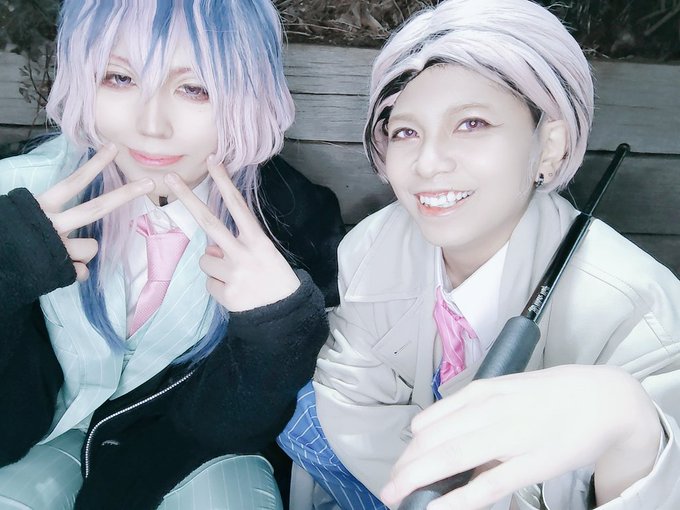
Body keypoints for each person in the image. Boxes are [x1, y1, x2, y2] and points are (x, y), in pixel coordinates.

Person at [277, 0, 680, 508]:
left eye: (472, 123)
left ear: (549, 147)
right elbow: (350, 392)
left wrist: (636, 430)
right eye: (406, 131)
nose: (428, 163)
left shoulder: (641, 312)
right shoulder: (374, 244)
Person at [0, 0, 344, 509]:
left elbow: (241, 423)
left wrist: (277, 331)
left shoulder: (296, 223)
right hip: (39, 434)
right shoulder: (18, 194)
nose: (152, 125)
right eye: (119, 78)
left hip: (190, 453)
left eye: (195, 88)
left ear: (251, 94)